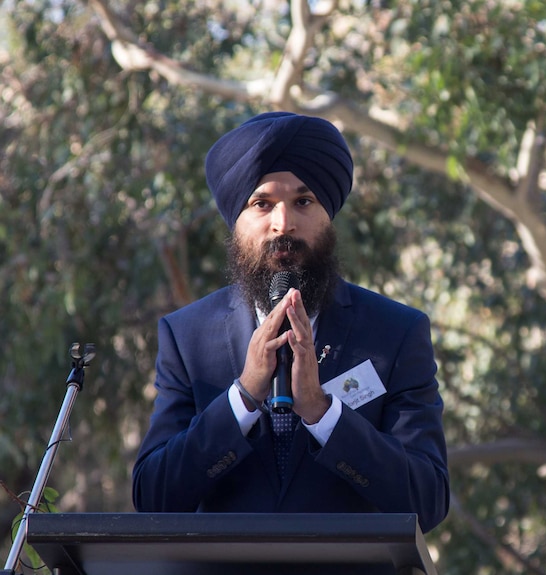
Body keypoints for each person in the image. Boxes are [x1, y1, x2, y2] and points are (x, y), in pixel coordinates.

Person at [132, 112, 449, 538]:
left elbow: (427, 500)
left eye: (304, 202)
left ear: (328, 215)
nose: (284, 223)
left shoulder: (395, 334)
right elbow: (153, 496)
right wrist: (242, 396)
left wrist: (321, 411)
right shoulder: (187, 336)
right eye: (262, 204)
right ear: (235, 222)